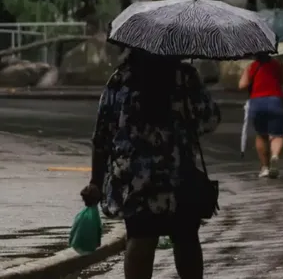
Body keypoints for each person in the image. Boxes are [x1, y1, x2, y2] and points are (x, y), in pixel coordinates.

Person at [80, 49, 221, 279]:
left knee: (140, 238)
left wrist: (96, 182)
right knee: (186, 238)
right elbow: (209, 120)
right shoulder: (184, 76)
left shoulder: (121, 79)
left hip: (135, 180)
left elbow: (102, 136)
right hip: (178, 174)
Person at [238, 53, 283, 178]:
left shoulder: (252, 66)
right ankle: (274, 156)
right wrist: (282, 67)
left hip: (257, 103)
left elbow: (242, 85)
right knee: (277, 135)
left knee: (261, 135)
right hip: (275, 101)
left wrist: (247, 74)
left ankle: (264, 168)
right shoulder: (277, 65)